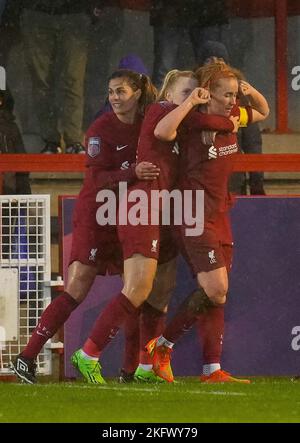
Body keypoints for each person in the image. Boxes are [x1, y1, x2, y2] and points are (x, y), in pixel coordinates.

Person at [71, 69, 237, 384]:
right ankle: (89, 353)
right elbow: (163, 132)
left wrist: (229, 119)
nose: (193, 97)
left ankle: (147, 367)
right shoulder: (163, 112)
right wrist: (197, 108)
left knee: (160, 290)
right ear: (167, 95)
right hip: (142, 206)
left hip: (164, 210)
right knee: (137, 288)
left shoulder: (185, 119)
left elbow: (235, 116)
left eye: (196, 92)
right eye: (186, 92)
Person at [11, 68, 158, 384]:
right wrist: (132, 173)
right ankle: (26, 357)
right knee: (76, 288)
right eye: (111, 91)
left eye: (121, 91)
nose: (115, 98)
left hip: (128, 216)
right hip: (96, 215)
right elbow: (97, 179)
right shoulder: (100, 129)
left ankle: (130, 369)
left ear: (137, 93)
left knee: (133, 291)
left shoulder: (147, 125)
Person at [146, 61, 269, 383]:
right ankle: (162, 344)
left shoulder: (230, 118)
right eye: (226, 94)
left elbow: (264, 111)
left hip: (218, 213)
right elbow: (163, 131)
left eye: (234, 94)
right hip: (192, 214)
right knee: (216, 289)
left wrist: (247, 90)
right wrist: (212, 116)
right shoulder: (191, 122)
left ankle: (211, 368)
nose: (233, 100)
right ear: (208, 92)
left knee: (216, 294)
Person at [18, 0, 101, 154]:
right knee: (42, 81)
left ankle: (73, 140)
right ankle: (51, 140)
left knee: (72, 80)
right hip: (37, 12)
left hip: (74, 12)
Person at [200, 40, 266, 196]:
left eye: (220, 59)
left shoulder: (241, 100)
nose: (215, 63)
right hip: (198, 183)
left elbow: (253, 144)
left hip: (233, 183)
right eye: (209, 59)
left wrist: (257, 184)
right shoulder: (191, 98)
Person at [150, 0, 229, 88]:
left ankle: (211, 97)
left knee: (213, 67)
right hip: (204, 10)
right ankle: (212, 97)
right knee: (213, 66)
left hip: (174, 10)